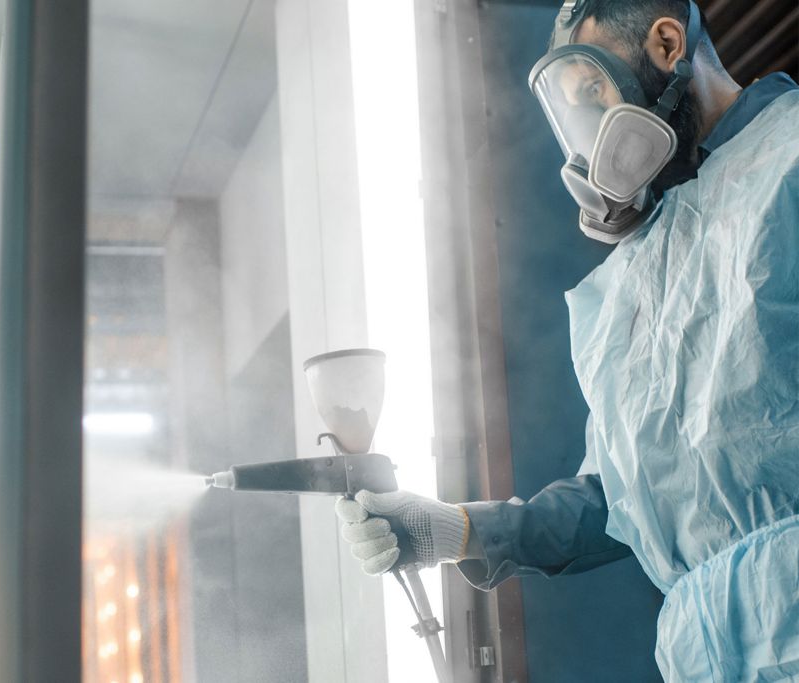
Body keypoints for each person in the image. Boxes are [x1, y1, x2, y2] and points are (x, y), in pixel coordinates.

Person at [334, 1, 799, 681]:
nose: (590, 133)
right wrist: (455, 528)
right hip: (708, 657)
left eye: (593, 92)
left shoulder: (788, 159)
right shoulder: (644, 270)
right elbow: (620, 496)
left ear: (667, 42)